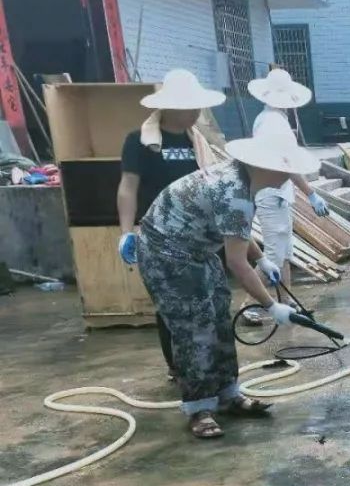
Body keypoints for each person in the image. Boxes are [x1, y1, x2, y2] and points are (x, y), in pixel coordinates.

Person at [135, 112, 317, 439]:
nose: (289, 176)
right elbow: (236, 262)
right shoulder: (235, 192)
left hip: (198, 249)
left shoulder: (244, 182)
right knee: (195, 327)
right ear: (266, 166)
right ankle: (199, 408)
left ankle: (229, 393)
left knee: (220, 314)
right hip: (165, 252)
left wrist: (262, 261)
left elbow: (240, 240)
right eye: (285, 169)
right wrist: (271, 306)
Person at [117, 68, 224, 379]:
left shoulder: (199, 142)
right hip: (160, 236)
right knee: (171, 307)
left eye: (197, 107)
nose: (195, 114)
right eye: (189, 108)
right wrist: (126, 231)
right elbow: (128, 186)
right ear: (170, 107)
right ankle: (179, 367)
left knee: (209, 302)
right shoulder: (139, 141)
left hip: (200, 236)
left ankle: (208, 363)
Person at [246, 67, 330, 291]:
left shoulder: (271, 119)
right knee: (273, 255)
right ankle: (252, 304)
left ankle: (290, 302)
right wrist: (311, 194)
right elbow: (285, 164)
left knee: (284, 253)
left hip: (278, 193)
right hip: (271, 193)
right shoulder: (272, 123)